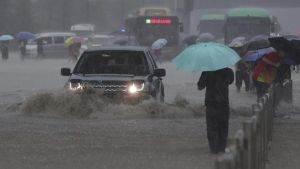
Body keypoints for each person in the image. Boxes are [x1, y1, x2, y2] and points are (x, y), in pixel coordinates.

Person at [197, 67, 234, 154]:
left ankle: (214, 149)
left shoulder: (207, 71)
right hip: (224, 103)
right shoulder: (228, 71)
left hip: (211, 103)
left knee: (211, 127)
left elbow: (200, 86)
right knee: (223, 126)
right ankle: (222, 148)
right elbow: (231, 81)